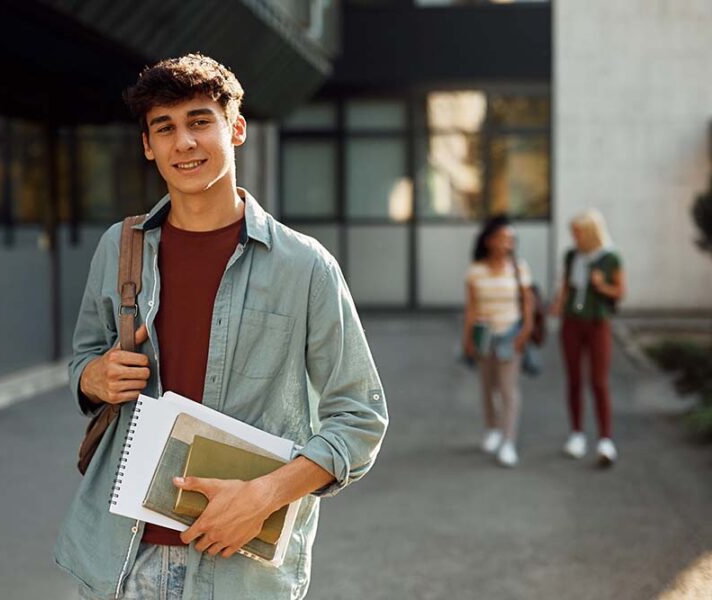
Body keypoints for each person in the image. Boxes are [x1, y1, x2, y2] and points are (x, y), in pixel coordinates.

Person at [54, 54, 388, 600]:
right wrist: (96, 376)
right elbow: (83, 361)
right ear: (148, 146)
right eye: (165, 128)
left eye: (199, 121)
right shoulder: (120, 247)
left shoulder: (305, 266)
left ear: (235, 128)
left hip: (239, 568)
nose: (183, 141)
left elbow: (360, 416)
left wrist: (264, 496)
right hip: (120, 559)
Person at [550, 209, 625, 466]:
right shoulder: (572, 256)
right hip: (572, 322)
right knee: (573, 379)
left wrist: (601, 285)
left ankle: (605, 439)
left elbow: (619, 292)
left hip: (597, 322)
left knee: (598, 381)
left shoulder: (610, 258)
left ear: (590, 232)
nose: (574, 236)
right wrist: (558, 304)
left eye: (578, 232)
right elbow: (565, 285)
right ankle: (576, 435)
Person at [463, 215, 533, 467]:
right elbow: (471, 307)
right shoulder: (476, 270)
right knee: (487, 386)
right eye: (503, 237)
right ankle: (492, 428)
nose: (508, 243)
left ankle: (508, 441)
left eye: (511, 238)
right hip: (484, 336)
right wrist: (467, 339)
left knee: (508, 390)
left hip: (509, 335)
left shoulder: (518, 267)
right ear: (490, 240)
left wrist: (525, 331)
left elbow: (528, 302)